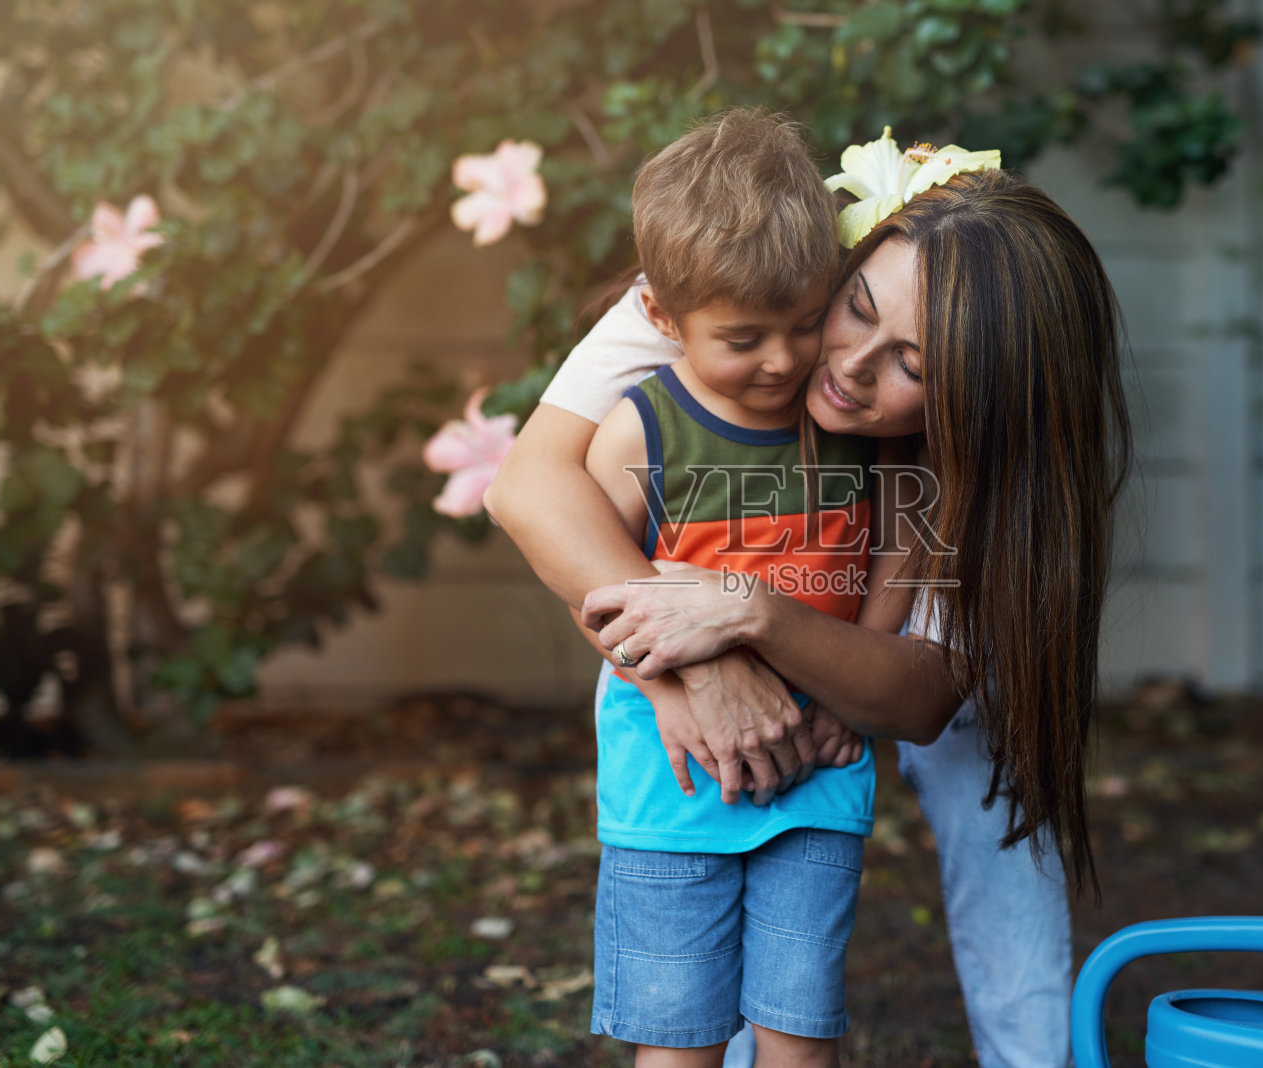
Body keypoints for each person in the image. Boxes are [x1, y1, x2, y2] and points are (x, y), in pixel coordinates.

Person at [485, 127, 1131, 1068]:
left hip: (868, 582)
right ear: (842, 263)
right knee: (688, 690)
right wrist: (689, 676)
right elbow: (533, 493)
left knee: (988, 796)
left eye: (911, 363)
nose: (842, 366)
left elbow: (917, 700)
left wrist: (760, 620)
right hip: (739, 581)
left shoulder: (979, 458)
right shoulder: (743, 283)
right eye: (854, 307)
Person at [568, 108, 919, 1068]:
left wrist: (865, 683)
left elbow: (897, 547)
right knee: (676, 1036)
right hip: (669, 783)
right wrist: (668, 684)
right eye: (742, 337)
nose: (781, 359)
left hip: (821, 772)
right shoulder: (638, 432)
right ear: (661, 318)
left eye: (805, 323)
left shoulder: (846, 419)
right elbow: (592, 587)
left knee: (800, 1028)